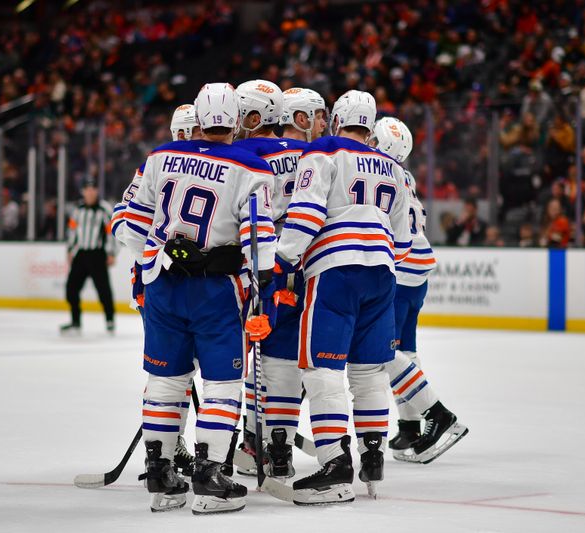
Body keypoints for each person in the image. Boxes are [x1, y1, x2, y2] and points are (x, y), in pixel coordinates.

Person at [119, 83, 276, 514]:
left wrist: (157, 257)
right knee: (223, 383)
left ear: (200, 118)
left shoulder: (159, 157)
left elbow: (127, 226)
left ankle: (161, 476)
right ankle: (209, 477)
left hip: (163, 286)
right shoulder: (251, 166)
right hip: (215, 291)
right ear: (237, 119)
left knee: (166, 381)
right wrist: (264, 297)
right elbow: (260, 244)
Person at [275, 90, 411, 504]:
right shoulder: (394, 169)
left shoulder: (324, 151)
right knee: (369, 371)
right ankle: (373, 455)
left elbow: (306, 214)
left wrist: (281, 259)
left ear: (336, 120)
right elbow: (403, 240)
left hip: (335, 272)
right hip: (383, 274)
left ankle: (335, 465)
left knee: (322, 369)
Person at [232, 81, 320, 479]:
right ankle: (279, 449)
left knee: (254, 356)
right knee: (284, 358)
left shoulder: (242, 153)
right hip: (309, 267)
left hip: (264, 264)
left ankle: (254, 442)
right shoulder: (314, 153)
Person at [110, 103, 202, 476]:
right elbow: (122, 215)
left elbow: (121, 217)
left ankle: (170, 442)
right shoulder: (158, 166)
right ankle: (169, 443)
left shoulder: (164, 163)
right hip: (165, 286)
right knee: (172, 371)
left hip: (176, 283)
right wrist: (156, 258)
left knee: (178, 372)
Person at [370, 117, 468, 464]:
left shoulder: (375, 170)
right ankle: (410, 425)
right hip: (418, 269)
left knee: (382, 352)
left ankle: (437, 416)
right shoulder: (404, 175)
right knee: (405, 350)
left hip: (397, 269)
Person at [60, 180, 116, 336]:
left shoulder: (104, 209)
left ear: (96, 191)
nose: (90, 193)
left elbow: (110, 232)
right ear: (83, 192)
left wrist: (111, 253)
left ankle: (110, 320)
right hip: (81, 254)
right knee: (71, 288)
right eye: (87, 190)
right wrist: (70, 250)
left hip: (97, 254)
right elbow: (72, 230)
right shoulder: (78, 209)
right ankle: (75, 321)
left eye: (93, 189)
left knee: (103, 289)